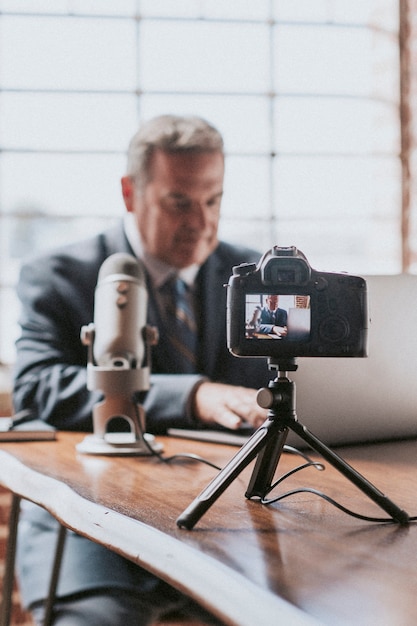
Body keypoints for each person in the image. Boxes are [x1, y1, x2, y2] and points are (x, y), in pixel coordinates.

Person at [12, 115, 274, 626]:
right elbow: (36, 389)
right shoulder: (60, 276)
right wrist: (192, 396)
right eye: (180, 202)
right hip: (89, 529)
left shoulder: (255, 278)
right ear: (131, 193)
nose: (200, 222)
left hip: (228, 529)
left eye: (213, 200)